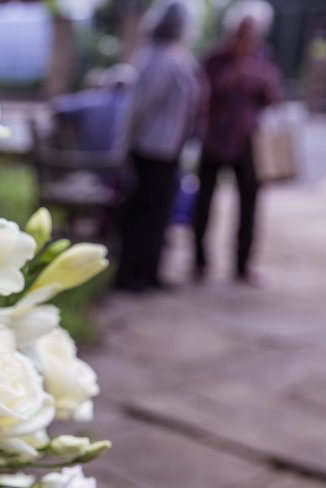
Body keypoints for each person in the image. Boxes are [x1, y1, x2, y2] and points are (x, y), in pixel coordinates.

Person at [191, 0, 283, 284]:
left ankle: (242, 265)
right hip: (215, 141)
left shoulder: (263, 58)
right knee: (204, 204)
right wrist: (236, 66)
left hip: (248, 144)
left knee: (249, 206)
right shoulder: (215, 58)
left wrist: (253, 70)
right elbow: (204, 94)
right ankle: (199, 261)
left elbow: (273, 97)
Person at [116, 1, 202, 292]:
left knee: (158, 214)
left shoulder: (172, 56)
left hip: (167, 149)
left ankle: (149, 272)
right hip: (150, 149)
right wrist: (123, 144)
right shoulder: (158, 57)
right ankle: (130, 275)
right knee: (143, 213)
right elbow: (139, 107)